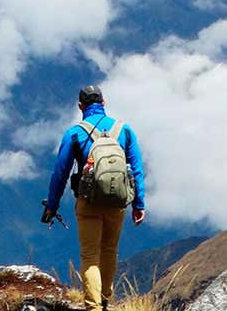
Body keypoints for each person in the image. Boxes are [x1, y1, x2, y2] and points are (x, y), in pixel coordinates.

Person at [43, 85, 146, 311]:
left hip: (87, 201)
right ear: (104, 102)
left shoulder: (74, 133)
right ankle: (106, 299)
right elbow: (136, 169)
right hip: (118, 202)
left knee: (90, 254)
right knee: (109, 249)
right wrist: (139, 204)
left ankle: (94, 307)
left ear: (81, 106)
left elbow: (60, 172)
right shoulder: (124, 130)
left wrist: (52, 205)